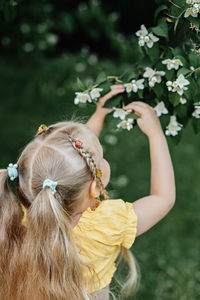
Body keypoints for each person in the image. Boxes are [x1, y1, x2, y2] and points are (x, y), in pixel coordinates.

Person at [0, 85, 175, 300]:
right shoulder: (107, 224)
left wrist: (100, 113)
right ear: (94, 187)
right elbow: (162, 198)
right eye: (100, 158)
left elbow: (74, 160)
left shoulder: (31, 213)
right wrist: (156, 135)